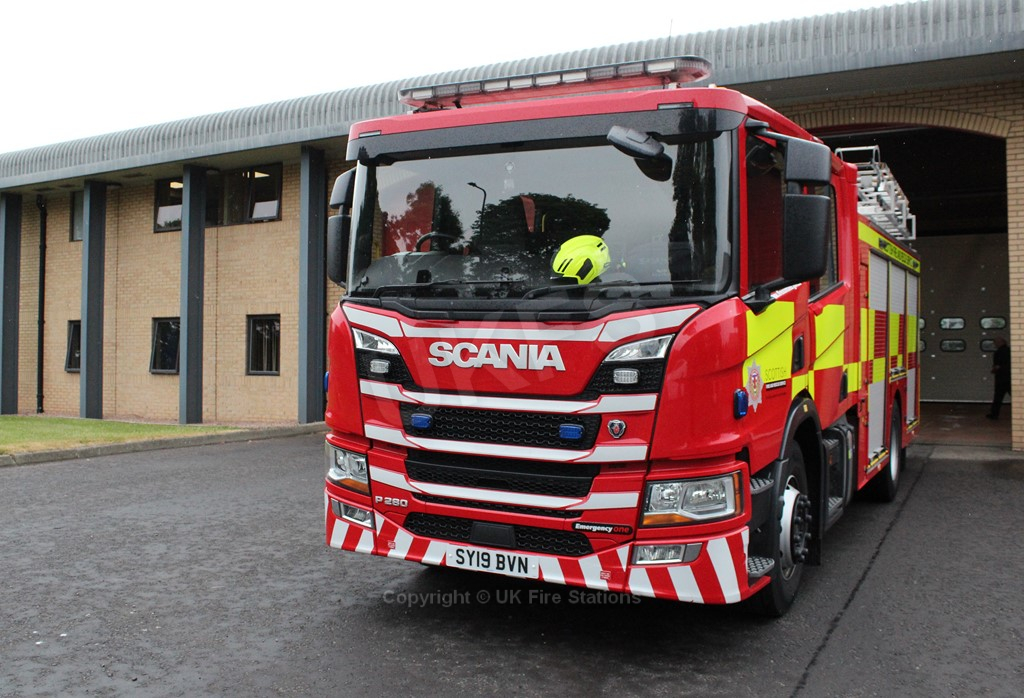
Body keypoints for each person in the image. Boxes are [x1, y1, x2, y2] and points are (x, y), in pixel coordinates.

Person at [986, 338, 1011, 420]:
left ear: (1000, 343)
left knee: (998, 397)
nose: (995, 344)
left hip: (1001, 378)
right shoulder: (1010, 351)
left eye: (996, 343)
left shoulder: (998, 352)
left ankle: (994, 414)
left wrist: (994, 370)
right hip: (1010, 377)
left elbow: (997, 365)